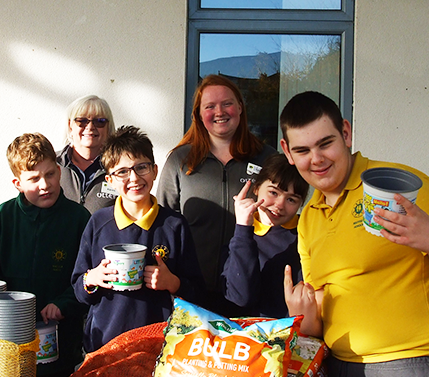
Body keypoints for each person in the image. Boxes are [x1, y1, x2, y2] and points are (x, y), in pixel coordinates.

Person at [279, 91, 429, 377]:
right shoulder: (309, 216)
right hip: (342, 375)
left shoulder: (397, 186)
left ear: (346, 133)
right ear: (287, 151)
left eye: (325, 143)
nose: (316, 159)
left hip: (412, 368)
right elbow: (322, 308)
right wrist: (302, 315)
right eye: (302, 150)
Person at [72, 126, 204, 353]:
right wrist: (92, 278)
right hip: (105, 344)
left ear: (154, 171)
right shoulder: (98, 222)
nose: (134, 178)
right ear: (110, 180)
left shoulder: (174, 225)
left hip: (158, 345)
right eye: (122, 172)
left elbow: (197, 292)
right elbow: (78, 288)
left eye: (141, 167)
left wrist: (172, 283)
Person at [0, 132, 91, 377]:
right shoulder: (2, 218)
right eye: (34, 179)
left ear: (59, 171)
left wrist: (64, 303)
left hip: (61, 348)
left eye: (50, 174)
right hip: (11, 347)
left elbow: (88, 276)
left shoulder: (79, 219)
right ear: (17, 183)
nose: (45, 185)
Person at [158, 74, 275, 315]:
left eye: (227, 103)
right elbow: (163, 224)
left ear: (240, 107)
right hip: (191, 293)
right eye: (209, 106)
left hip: (253, 291)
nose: (219, 112)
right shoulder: (180, 161)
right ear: (199, 114)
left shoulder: (268, 159)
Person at [222, 152, 308, 317]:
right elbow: (240, 298)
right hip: (248, 329)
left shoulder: (306, 233)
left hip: (292, 328)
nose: (280, 204)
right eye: (273, 193)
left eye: (291, 199)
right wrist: (243, 228)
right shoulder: (241, 233)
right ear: (256, 188)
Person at [57, 95, 118, 213]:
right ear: (70, 126)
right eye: (82, 121)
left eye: (99, 121)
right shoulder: (51, 163)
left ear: (108, 127)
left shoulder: (119, 169)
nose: (90, 127)